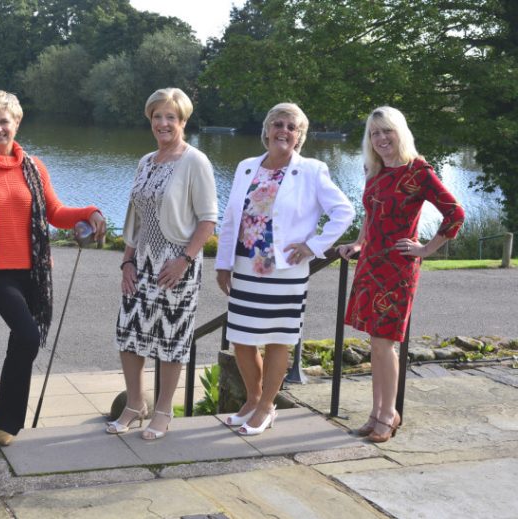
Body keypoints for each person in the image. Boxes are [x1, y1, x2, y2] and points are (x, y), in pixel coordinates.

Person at [0, 90, 105, 447]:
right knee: (27, 336)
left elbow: (55, 212)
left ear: (17, 122)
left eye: (3, 122)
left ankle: (6, 424)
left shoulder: (35, 167)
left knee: (23, 342)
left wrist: (90, 211)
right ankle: (7, 421)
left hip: (34, 271)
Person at [215, 103, 355, 436]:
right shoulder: (247, 167)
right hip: (245, 267)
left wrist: (313, 246)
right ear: (267, 130)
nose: (284, 131)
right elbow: (231, 218)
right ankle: (252, 400)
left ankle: (266, 406)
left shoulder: (312, 170)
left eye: (292, 127)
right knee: (241, 339)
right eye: (278, 124)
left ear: (299, 136)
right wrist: (223, 264)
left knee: (278, 340)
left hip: (285, 270)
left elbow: (344, 211)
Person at [338, 106, 465, 443]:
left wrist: (426, 249)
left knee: (385, 343)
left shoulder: (418, 171)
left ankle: (388, 414)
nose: (381, 138)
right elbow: (371, 212)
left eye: (387, 131)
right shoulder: (374, 169)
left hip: (398, 269)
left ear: (400, 132)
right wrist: (359, 243)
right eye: (374, 133)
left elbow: (455, 213)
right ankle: (377, 412)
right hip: (370, 265)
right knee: (375, 344)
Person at [107, 87, 217, 440]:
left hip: (176, 265)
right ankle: (134, 404)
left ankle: (163, 411)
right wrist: (127, 262)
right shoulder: (146, 161)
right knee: (129, 335)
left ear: (183, 121)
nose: (163, 123)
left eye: (171, 117)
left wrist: (184, 260)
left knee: (171, 339)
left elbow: (208, 219)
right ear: (150, 119)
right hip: (141, 262)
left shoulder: (195, 161)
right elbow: (136, 219)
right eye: (158, 116)